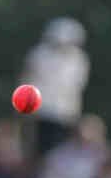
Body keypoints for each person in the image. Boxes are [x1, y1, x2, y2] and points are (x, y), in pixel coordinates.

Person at [21, 17, 90, 155]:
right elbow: (29, 82)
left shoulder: (79, 60)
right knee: (38, 150)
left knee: (60, 151)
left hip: (65, 115)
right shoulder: (39, 55)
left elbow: (76, 88)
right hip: (40, 114)